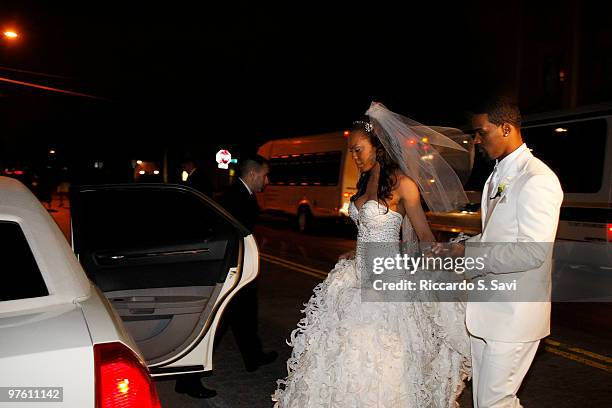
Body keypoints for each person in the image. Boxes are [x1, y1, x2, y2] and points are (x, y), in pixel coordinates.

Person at [273, 102, 471, 407]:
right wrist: (356, 250)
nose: (354, 156)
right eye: (352, 150)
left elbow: (422, 235)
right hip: (355, 278)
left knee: (376, 359)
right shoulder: (366, 182)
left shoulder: (405, 186)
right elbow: (369, 231)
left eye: (358, 149)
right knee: (339, 353)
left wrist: (449, 261)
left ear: (379, 147)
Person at [455, 97, 563, 407]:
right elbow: (496, 236)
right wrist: (460, 248)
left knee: (494, 401)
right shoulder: (496, 176)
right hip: (487, 310)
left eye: (481, 131)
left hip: (515, 313)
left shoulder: (538, 179)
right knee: (486, 401)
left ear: (506, 128)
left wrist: (468, 255)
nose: (476, 139)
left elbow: (531, 252)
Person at [216, 155, 278, 370]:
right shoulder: (236, 198)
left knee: (245, 316)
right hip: (235, 269)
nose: (267, 181)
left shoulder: (244, 195)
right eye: (265, 175)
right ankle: (189, 379)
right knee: (222, 322)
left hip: (243, 267)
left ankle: (253, 357)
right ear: (253, 174)